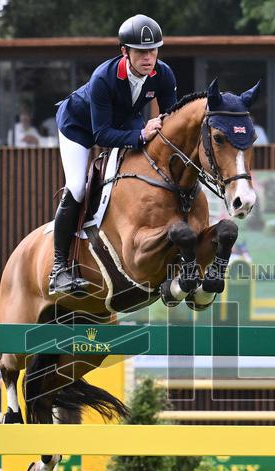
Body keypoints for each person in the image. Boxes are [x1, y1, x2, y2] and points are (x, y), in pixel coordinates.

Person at [50, 14, 178, 295]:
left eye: (153, 50)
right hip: (79, 127)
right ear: (124, 52)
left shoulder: (164, 74)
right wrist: (142, 134)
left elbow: (172, 118)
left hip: (123, 121)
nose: (149, 58)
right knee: (76, 187)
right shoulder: (103, 79)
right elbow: (102, 135)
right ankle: (59, 268)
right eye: (141, 52)